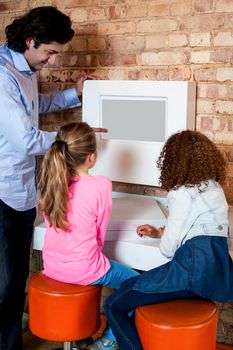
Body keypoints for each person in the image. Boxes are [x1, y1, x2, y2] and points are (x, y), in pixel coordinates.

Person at [0, 6, 99, 350]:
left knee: (15, 282)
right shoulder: (2, 76)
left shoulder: (24, 68)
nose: (53, 62)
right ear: (30, 41)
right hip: (3, 194)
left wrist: (75, 94)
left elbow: (36, 105)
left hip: (23, 191)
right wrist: (67, 140)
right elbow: (26, 139)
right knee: (5, 286)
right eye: (50, 53)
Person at [104, 130, 233, 350]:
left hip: (191, 273)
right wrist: (160, 232)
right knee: (132, 288)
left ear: (174, 161)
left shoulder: (182, 192)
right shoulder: (214, 188)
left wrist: (165, 237)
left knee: (114, 303)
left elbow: (168, 249)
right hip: (217, 274)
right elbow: (201, 229)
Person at [39, 121, 139, 350]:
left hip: (52, 267)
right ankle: (108, 339)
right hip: (83, 268)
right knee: (136, 283)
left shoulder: (51, 183)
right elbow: (99, 235)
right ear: (91, 157)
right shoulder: (101, 185)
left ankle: (82, 334)